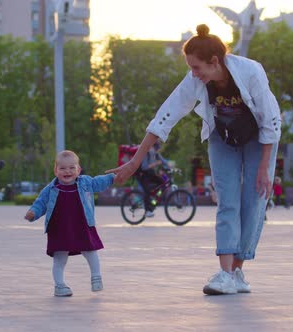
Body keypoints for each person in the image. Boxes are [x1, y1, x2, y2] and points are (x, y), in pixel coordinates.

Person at [106, 24, 281, 295]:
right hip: (223, 138)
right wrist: (134, 162)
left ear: (214, 62)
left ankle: (237, 271)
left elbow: (270, 119)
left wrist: (264, 168)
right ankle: (224, 275)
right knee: (227, 201)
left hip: (261, 139)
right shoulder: (195, 80)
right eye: (190, 68)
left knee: (254, 201)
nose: (193, 74)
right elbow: (166, 115)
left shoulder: (250, 71)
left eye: (197, 67)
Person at [25, 150, 115, 297]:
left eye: (72, 167)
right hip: (59, 228)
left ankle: (96, 277)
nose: (67, 171)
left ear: (78, 170)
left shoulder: (85, 182)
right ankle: (59, 286)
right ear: (55, 171)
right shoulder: (51, 188)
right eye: (62, 168)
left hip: (82, 225)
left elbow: (98, 182)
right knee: (60, 257)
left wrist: (113, 177)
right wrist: (33, 213)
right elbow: (40, 202)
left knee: (91, 251)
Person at [137, 140, 169, 217]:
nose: (157, 150)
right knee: (147, 191)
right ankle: (147, 211)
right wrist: (155, 164)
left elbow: (164, 161)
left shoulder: (156, 153)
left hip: (150, 174)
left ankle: (153, 200)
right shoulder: (146, 153)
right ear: (153, 147)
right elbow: (144, 167)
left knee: (163, 182)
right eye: (157, 148)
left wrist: (173, 167)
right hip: (142, 174)